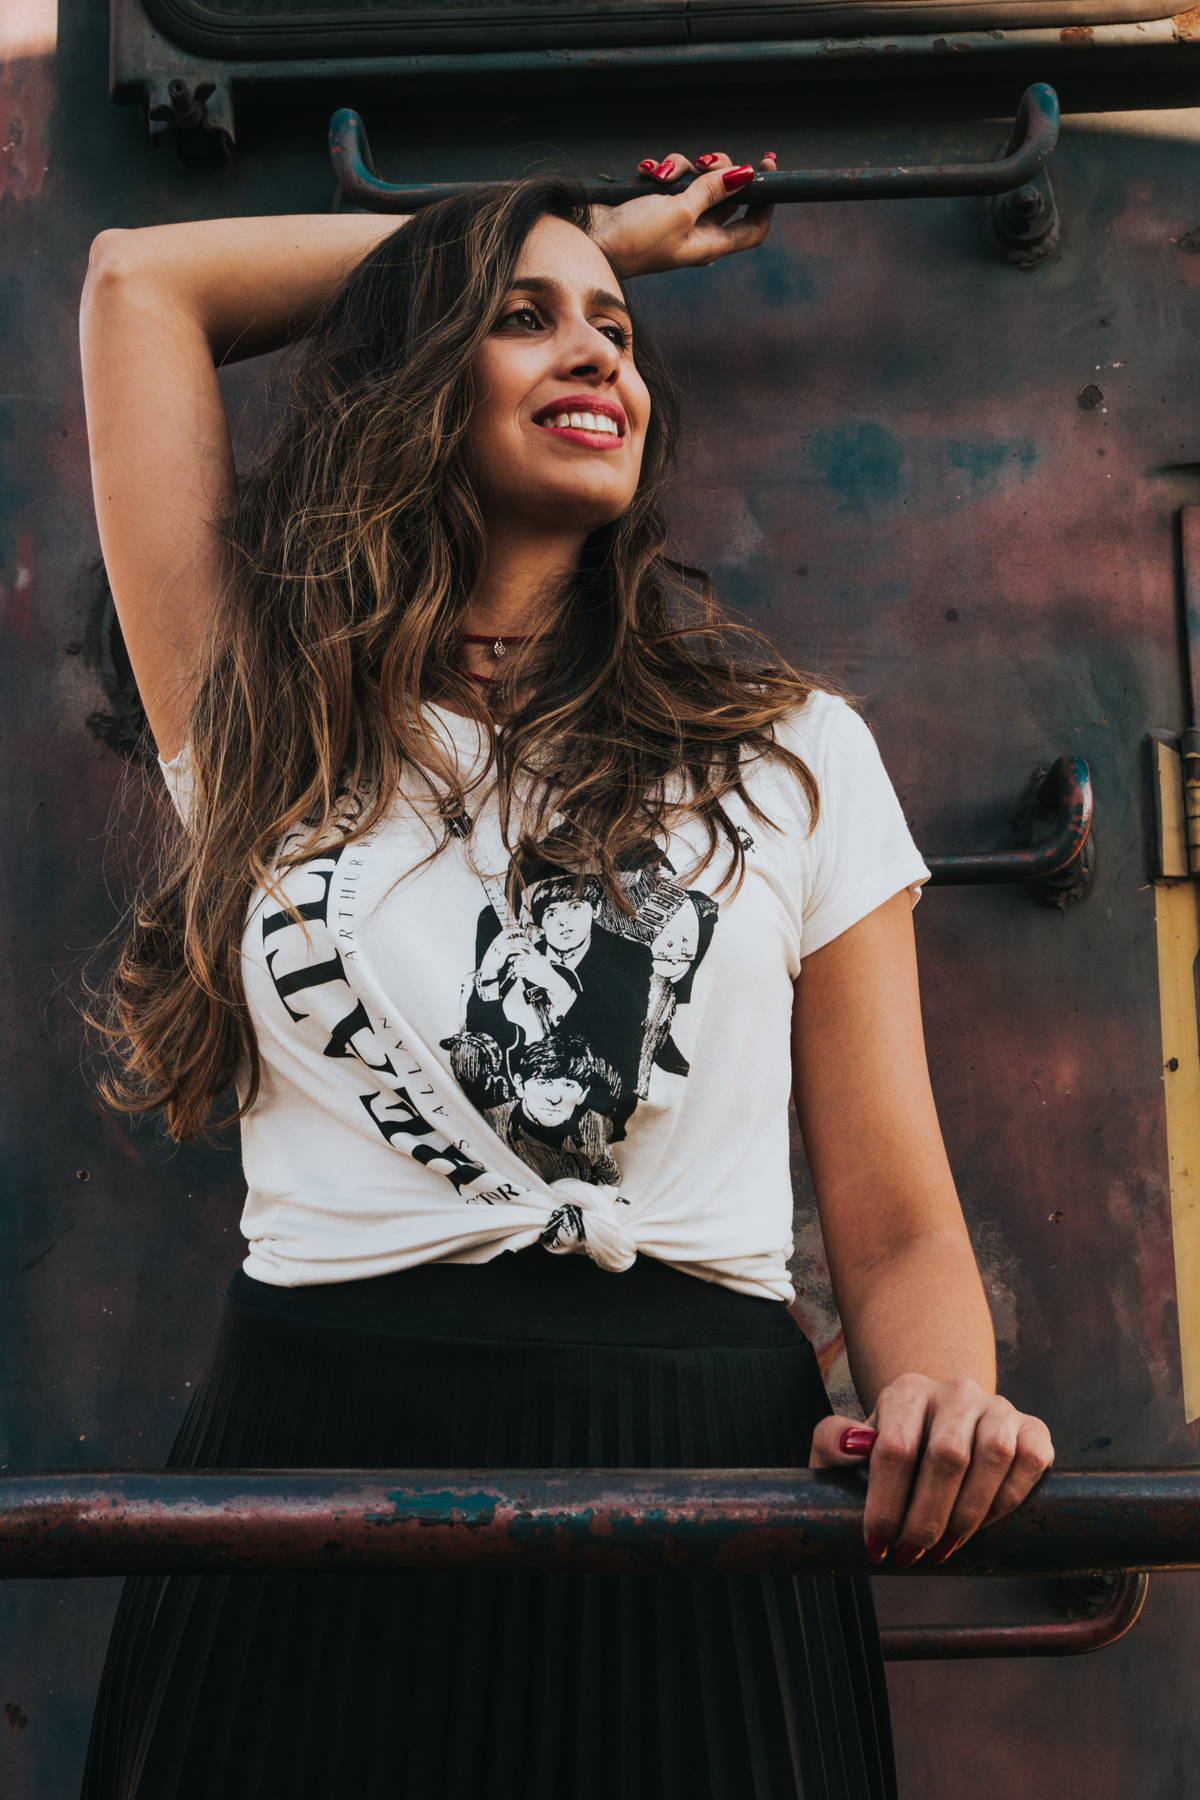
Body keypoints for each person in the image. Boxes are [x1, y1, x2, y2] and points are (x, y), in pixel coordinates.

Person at [78, 148, 1054, 1800]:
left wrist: (947, 1401)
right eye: (525, 321)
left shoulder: (794, 757)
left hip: (702, 1489)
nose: (600, 349)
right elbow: (136, 282)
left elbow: (895, 1227)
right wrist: (595, 235)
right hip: (315, 1482)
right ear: (413, 377)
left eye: (616, 327)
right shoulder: (262, 724)